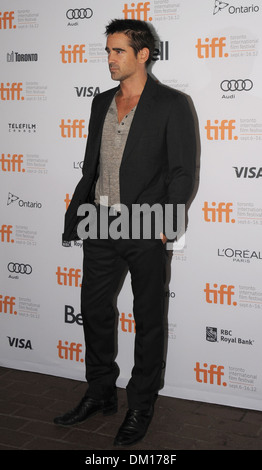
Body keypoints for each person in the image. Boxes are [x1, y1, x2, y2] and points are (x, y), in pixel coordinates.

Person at [54, 18, 196, 446]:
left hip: (148, 227)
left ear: (143, 55)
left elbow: (181, 172)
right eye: (108, 51)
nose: (110, 59)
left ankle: (141, 404)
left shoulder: (173, 103)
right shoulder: (100, 102)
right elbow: (92, 164)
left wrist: (165, 227)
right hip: (100, 220)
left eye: (118, 51)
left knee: (149, 319)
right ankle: (100, 392)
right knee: (94, 312)